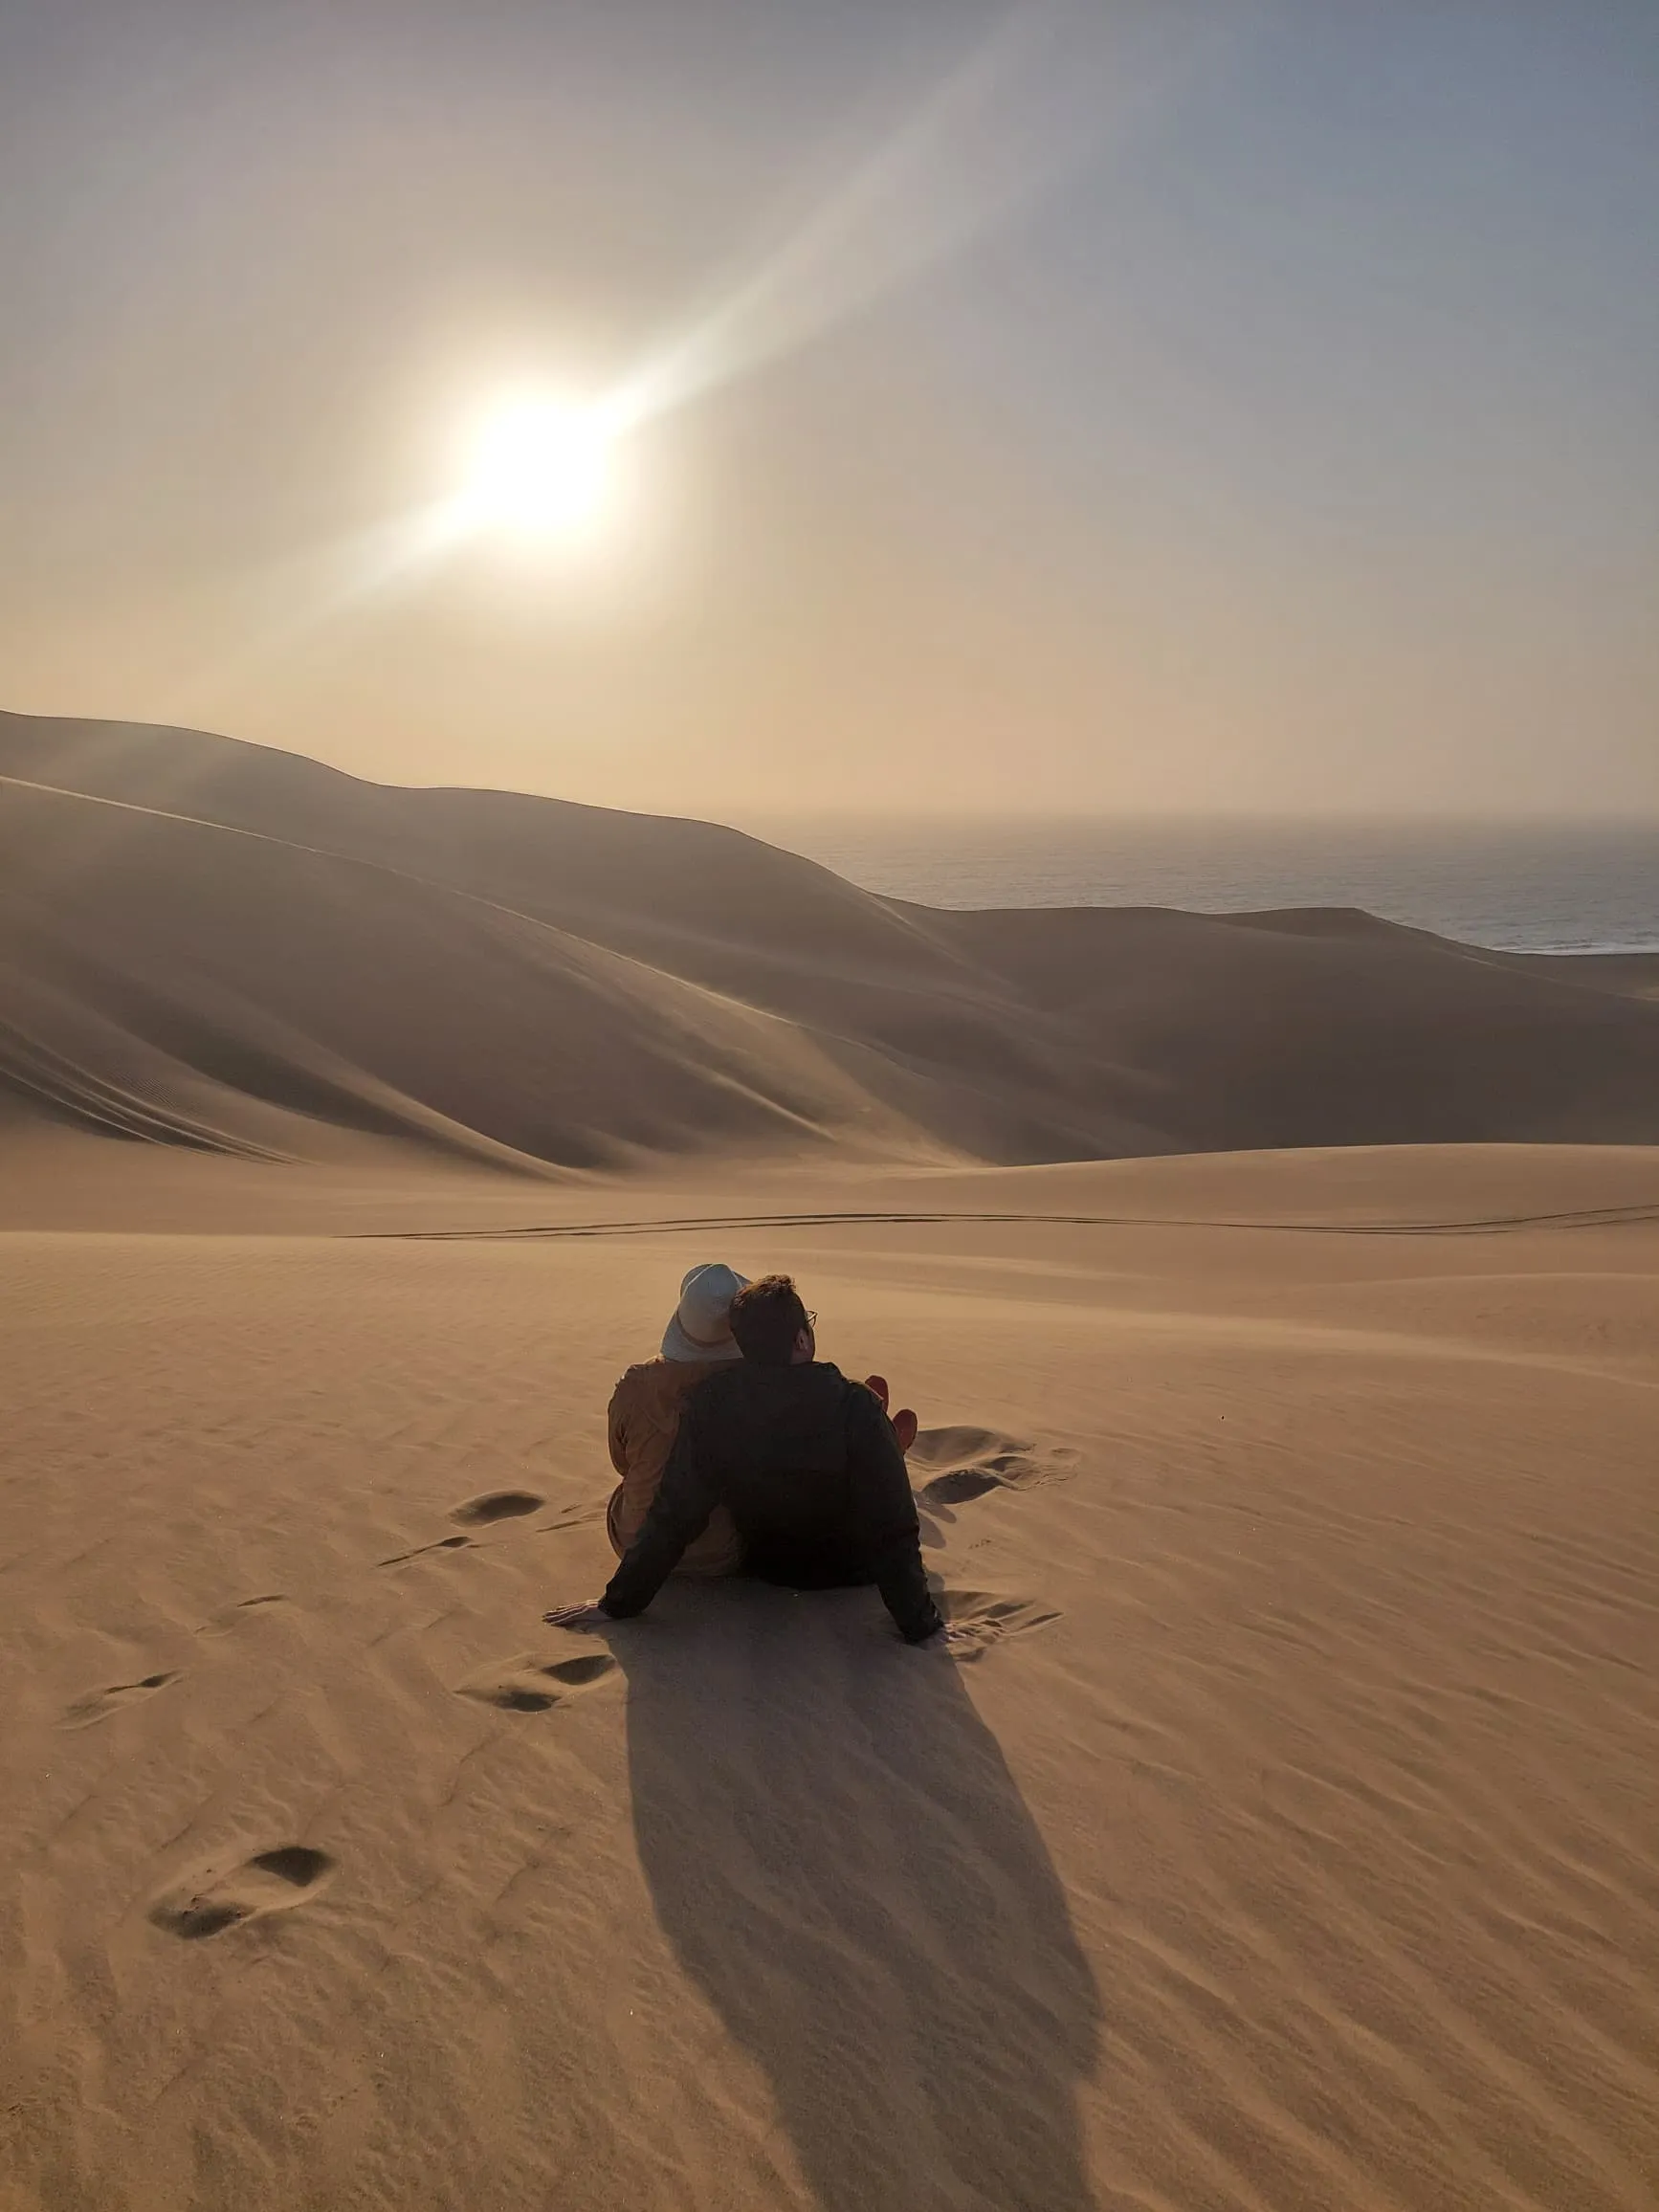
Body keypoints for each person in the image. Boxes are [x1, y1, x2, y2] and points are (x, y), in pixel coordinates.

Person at [549, 1274, 946, 1645]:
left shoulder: (711, 1407)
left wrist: (616, 1604)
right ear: (802, 1340)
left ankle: (888, 1452)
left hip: (768, 1567)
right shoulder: (854, 1403)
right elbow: (893, 1529)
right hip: (856, 1570)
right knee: (891, 1492)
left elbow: (675, 1514)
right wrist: (921, 1626)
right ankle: (890, 1453)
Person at [605, 1262, 750, 1581]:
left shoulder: (636, 1384)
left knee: (629, 1487)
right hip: (724, 1554)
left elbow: (621, 1462)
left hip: (635, 1546)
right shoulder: (755, 1384)